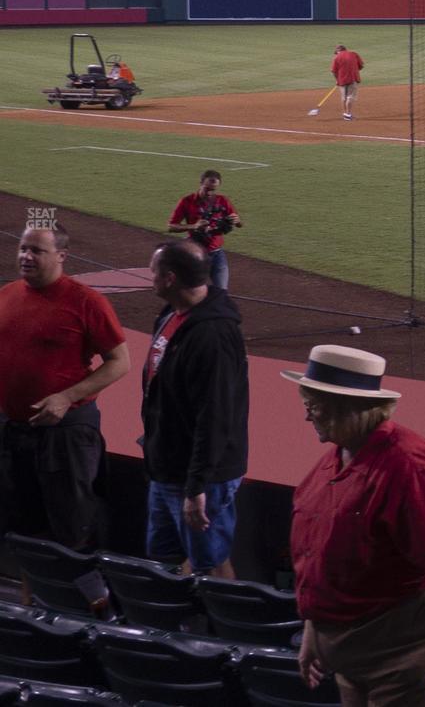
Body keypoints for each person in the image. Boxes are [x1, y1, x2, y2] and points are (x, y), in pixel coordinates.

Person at [286, 345, 425, 706]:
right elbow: (320, 557)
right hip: (350, 653)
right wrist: (313, 631)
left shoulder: (409, 465)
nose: (307, 417)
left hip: (406, 648)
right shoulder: (337, 456)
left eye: (314, 407)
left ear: (349, 407)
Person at [0, 224, 130, 550]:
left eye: (36, 251)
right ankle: (35, 599)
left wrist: (66, 396)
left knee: (72, 528)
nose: (26, 256)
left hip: (65, 434)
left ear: (61, 256)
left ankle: (87, 600)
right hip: (15, 431)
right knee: (26, 527)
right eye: (23, 249)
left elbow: (119, 361)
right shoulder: (8, 294)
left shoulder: (86, 301)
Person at [140, 241, 248, 578]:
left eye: (154, 271)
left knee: (209, 562)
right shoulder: (174, 313)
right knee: (165, 560)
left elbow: (215, 416)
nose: (150, 277)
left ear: (170, 278)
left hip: (200, 477)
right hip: (169, 465)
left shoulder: (213, 336)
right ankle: (174, 626)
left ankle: (226, 629)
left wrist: (197, 484)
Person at [166, 169, 243, 291]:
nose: (209, 192)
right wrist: (194, 226)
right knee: (190, 290)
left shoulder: (223, 201)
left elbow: (239, 224)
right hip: (195, 254)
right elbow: (171, 226)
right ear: (201, 182)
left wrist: (237, 221)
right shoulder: (187, 201)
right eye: (207, 188)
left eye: (213, 189)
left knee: (221, 291)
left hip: (216, 253)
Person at [330, 44, 366, 121]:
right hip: (353, 78)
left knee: (344, 97)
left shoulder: (336, 58)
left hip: (342, 80)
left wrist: (337, 80)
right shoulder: (354, 54)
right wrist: (354, 70)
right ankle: (348, 114)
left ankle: (345, 114)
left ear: (338, 51)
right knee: (350, 96)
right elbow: (361, 65)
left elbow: (333, 71)